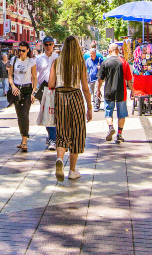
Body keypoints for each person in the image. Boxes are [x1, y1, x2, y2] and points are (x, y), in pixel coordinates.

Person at [50, 36, 92, 181]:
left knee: (62, 132)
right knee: (77, 133)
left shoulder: (56, 62)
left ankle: (60, 158)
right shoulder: (80, 63)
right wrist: (90, 107)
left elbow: (51, 83)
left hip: (60, 96)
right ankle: (72, 170)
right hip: (75, 96)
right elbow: (85, 88)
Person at [96, 43, 132, 144]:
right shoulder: (124, 62)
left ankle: (110, 127)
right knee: (122, 114)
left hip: (108, 91)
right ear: (118, 51)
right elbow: (129, 79)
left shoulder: (105, 62)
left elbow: (100, 79)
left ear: (109, 51)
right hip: (121, 91)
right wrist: (133, 91)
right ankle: (119, 134)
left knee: (108, 112)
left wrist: (98, 90)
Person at [8, 41, 37, 151]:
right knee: (20, 115)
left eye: (23, 51)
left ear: (28, 50)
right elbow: (10, 75)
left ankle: (25, 140)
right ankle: (22, 138)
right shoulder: (14, 60)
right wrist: (13, 86)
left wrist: (33, 92)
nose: (21, 52)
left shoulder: (31, 61)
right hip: (16, 90)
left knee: (25, 114)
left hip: (27, 89)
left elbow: (34, 77)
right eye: (19, 50)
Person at [36, 37, 59, 149]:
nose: (48, 46)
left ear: (53, 45)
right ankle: (51, 136)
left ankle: (53, 137)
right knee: (46, 113)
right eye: (46, 44)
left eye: (50, 44)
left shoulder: (57, 57)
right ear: (43, 45)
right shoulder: (39, 59)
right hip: (43, 88)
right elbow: (34, 74)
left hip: (55, 88)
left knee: (54, 112)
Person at [84, 43, 103, 111]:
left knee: (96, 91)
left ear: (95, 53)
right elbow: (85, 68)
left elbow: (104, 67)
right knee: (91, 91)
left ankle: (96, 105)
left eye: (92, 53)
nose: (91, 55)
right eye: (90, 53)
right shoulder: (88, 60)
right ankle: (96, 101)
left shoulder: (100, 59)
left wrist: (100, 67)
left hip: (98, 78)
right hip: (91, 78)